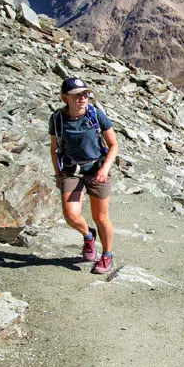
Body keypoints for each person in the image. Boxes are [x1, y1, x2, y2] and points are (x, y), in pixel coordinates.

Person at [49, 76, 119, 273]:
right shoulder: (57, 119)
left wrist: (104, 170)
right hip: (71, 171)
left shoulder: (96, 115)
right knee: (71, 215)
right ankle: (89, 236)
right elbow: (54, 148)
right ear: (65, 98)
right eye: (77, 95)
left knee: (100, 216)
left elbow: (113, 145)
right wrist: (58, 174)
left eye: (85, 94)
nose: (83, 98)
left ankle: (107, 255)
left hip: (97, 170)